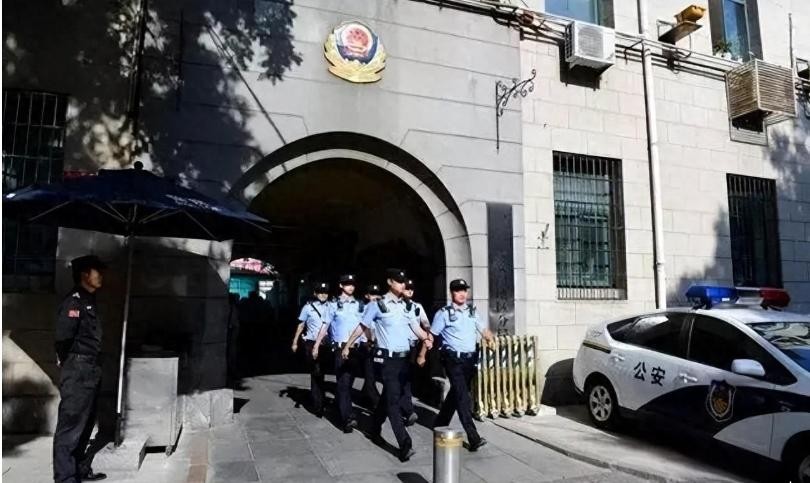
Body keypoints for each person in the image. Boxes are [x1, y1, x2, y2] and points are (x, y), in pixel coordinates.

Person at [343, 269, 432, 462]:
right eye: (399, 281)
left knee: (387, 398)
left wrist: (426, 338)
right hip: (387, 361)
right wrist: (348, 345)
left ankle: (374, 429)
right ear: (390, 282)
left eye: (404, 281)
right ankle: (405, 444)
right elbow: (362, 326)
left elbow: (415, 327)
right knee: (393, 401)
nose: (402, 284)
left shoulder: (406, 306)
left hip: (404, 360)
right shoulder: (377, 305)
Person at [53, 255, 108, 483]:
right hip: (78, 368)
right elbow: (62, 337)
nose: (101, 276)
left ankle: (79, 469)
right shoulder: (74, 301)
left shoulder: (89, 299)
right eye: (98, 272)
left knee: (85, 423)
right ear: (85, 274)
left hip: (90, 368)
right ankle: (65, 478)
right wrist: (69, 362)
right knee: (71, 425)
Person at [430, 278, 494, 452]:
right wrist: (423, 354)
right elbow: (432, 335)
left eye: (464, 290)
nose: (462, 294)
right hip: (453, 360)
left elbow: (483, 329)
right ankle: (473, 438)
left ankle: (440, 422)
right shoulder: (443, 313)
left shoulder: (472, 311)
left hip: (470, 360)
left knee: (456, 393)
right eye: (458, 290)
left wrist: (489, 338)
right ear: (451, 293)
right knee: (463, 397)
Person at [313, 274, 363, 433]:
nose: (351, 287)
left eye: (352, 284)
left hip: (356, 349)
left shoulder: (359, 305)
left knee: (348, 384)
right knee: (343, 383)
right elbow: (325, 326)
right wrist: (316, 345)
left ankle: (339, 406)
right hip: (341, 349)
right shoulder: (333, 305)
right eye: (347, 284)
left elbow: (365, 326)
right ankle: (348, 418)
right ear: (341, 285)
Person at [291, 282, 331, 417]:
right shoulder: (308, 308)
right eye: (320, 292)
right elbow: (301, 325)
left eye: (325, 292)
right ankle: (318, 404)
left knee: (322, 372)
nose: (323, 295)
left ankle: (320, 398)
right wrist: (295, 341)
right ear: (315, 293)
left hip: (326, 344)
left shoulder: (332, 307)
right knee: (316, 372)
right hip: (311, 343)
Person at [400, 279, 431, 426]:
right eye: (407, 288)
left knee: (406, 378)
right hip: (398, 346)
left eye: (412, 288)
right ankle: (408, 410)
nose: (410, 291)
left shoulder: (417, 307)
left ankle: (402, 408)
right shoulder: (395, 306)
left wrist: (428, 333)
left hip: (413, 347)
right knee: (401, 379)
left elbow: (425, 323)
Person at [357, 284, 383, 409]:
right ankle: (377, 403)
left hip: (378, 344)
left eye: (377, 294)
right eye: (372, 294)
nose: (375, 297)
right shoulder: (364, 309)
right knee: (369, 375)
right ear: (367, 296)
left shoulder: (382, 308)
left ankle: (364, 396)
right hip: (366, 344)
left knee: (372, 373)